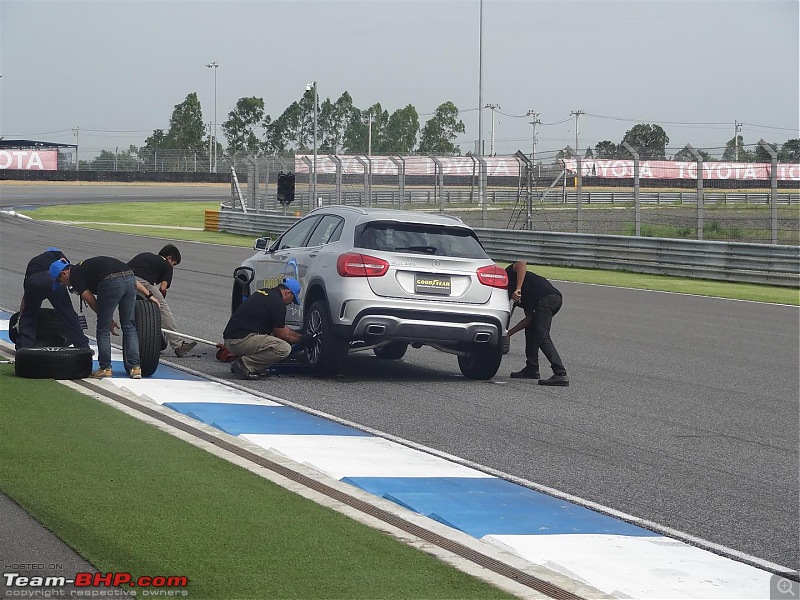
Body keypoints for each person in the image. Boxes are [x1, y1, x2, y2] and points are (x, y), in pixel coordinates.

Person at [50, 256, 159, 379]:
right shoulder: (85, 266)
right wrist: (149, 295)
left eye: (59, 281)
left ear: (63, 273)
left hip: (110, 281)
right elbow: (132, 279)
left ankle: (105, 368)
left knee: (103, 328)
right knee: (129, 325)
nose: (62, 284)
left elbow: (92, 301)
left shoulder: (75, 276)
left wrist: (108, 320)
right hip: (130, 277)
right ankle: (135, 368)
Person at [222, 279, 316, 380]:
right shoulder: (278, 303)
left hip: (234, 338)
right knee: (283, 348)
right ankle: (245, 364)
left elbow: (282, 328)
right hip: (239, 341)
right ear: (288, 292)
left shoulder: (266, 293)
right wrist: (302, 341)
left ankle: (250, 362)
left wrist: (300, 335)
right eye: (292, 300)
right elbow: (281, 334)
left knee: (273, 336)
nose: (290, 304)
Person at [505, 260, 569, 386]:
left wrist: (518, 288)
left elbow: (521, 263)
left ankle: (560, 373)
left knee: (542, 336)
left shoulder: (507, 275)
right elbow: (529, 318)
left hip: (547, 298)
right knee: (531, 329)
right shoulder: (514, 297)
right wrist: (508, 334)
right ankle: (532, 369)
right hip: (551, 300)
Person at [128, 244, 197, 358]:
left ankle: (142, 343)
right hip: (142, 282)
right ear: (170, 258)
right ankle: (178, 345)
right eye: (174, 264)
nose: (172, 266)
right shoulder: (167, 265)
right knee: (163, 309)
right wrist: (160, 296)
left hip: (124, 278)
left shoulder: (145, 255)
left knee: (131, 312)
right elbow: (163, 287)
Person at [16, 247, 91, 351]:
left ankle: (24, 347)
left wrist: (21, 316)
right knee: (67, 313)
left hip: (34, 282)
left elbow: (26, 297)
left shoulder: (34, 261)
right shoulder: (57, 254)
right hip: (53, 280)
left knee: (30, 315)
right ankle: (83, 346)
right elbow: (69, 272)